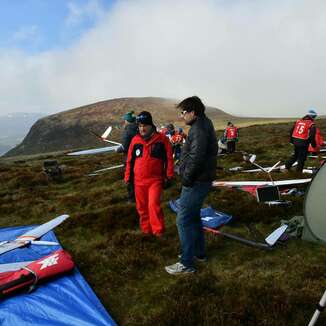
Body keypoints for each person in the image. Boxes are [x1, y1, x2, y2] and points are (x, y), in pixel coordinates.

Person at [165, 96, 217, 275]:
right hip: (200, 179)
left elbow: (197, 157)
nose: (182, 116)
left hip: (196, 181)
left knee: (183, 219)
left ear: (193, 112)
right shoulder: (202, 125)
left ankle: (186, 263)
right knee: (193, 217)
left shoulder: (199, 129)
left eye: (183, 112)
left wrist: (186, 178)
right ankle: (199, 253)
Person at [124, 111, 174, 237]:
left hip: (155, 180)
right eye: (140, 126)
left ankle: (158, 232)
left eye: (145, 125)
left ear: (151, 125)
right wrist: (128, 177)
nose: (142, 128)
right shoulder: (135, 140)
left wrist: (169, 176)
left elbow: (169, 158)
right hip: (138, 181)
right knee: (141, 208)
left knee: (153, 206)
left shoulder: (162, 139)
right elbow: (130, 160)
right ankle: (146, 231)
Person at [285, 108, 317, 172]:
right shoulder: (311, 124)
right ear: (312, 116)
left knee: (296, 155)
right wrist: (314, 145)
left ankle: (287, 166)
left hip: (295, 141)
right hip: (303, 143)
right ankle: (298, 172)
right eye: (314, 116)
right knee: (302, 158)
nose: (314, 118)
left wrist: (291, 141)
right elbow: (312, 136)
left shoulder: (298, 121)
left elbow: (291, 131)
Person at [116, 111, 138, 202]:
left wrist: (118, 149)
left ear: (127, 120)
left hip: (129, 159)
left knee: (130, 179)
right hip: (140, 158)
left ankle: (132, 198)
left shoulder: (127, 130)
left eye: (125, 120)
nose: (124, 122)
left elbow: (125, 147)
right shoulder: (139, 128)